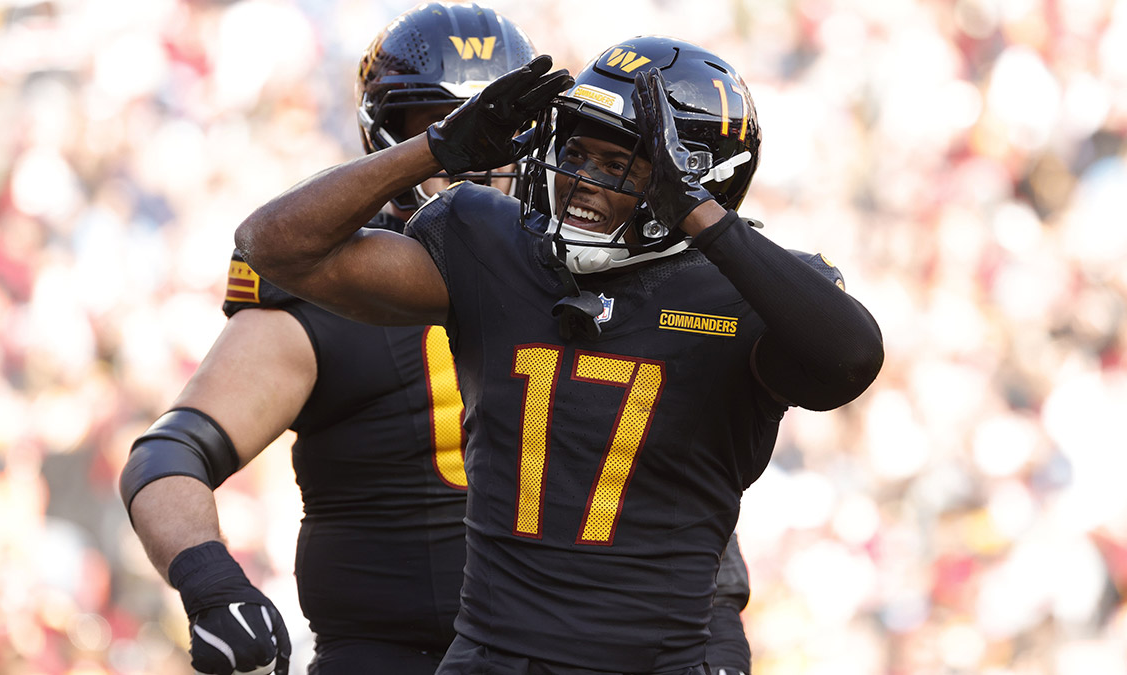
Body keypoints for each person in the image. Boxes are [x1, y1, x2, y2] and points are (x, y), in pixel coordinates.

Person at [237, 36, 841, 674]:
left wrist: (702, 217)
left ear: (695, 175)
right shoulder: (492, 245)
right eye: (576, 153)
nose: (580, 180)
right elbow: (272, 246)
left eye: (620, 163)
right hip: (491, 659)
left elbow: (850, 361)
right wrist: (434, 149)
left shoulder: (751, 293)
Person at [118, 5, 537, 674]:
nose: (477, 157)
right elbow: (167, 457)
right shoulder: (328, 278)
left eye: (496, 131)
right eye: (445, 131)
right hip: (395, 655)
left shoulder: (574, 267)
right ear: (388, 134)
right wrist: (211, 584)